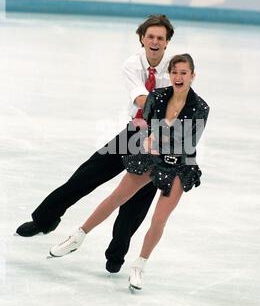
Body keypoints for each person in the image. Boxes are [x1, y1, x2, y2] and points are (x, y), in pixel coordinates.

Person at [16, 14, 175, 274]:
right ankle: (44, 219)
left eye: (160, 38)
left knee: (137, 199)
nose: (155, 42)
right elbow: (141, 100)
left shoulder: (175, 68)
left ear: (167, 42)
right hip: (134, 132)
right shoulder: (132, 64)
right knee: (86, 175)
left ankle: (117, 253)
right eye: (150, 37)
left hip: (160, 140)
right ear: (142, 39)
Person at [48, 54, 210, 290]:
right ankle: (78, 236)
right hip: (151, 156)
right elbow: (146, 127)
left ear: (192, 76)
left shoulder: (200, 107)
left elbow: (187, 142)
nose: (178, 77)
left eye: (184, 73)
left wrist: (158, 138)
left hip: (180, 165)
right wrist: (153, 138)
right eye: (175, 72)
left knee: (159, 218)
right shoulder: (158, 96)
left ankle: (139, 266)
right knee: (117, 196)